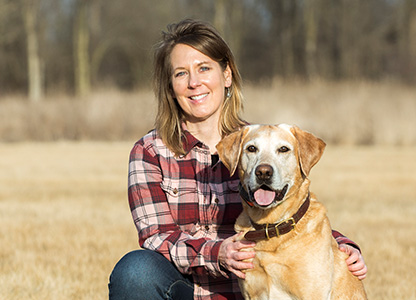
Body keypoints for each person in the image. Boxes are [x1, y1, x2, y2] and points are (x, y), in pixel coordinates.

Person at [108, 19, 367, 300]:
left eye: (204, 68)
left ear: (227, 75)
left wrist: (341, 246)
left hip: (240, 294)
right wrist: (217, 253)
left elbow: (294, 211)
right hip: (185, 291)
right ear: (170, 86)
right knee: (135, 271)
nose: (195, 83)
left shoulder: (256, 143)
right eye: (181, 73)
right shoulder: (150, 152)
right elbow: (156, 237)